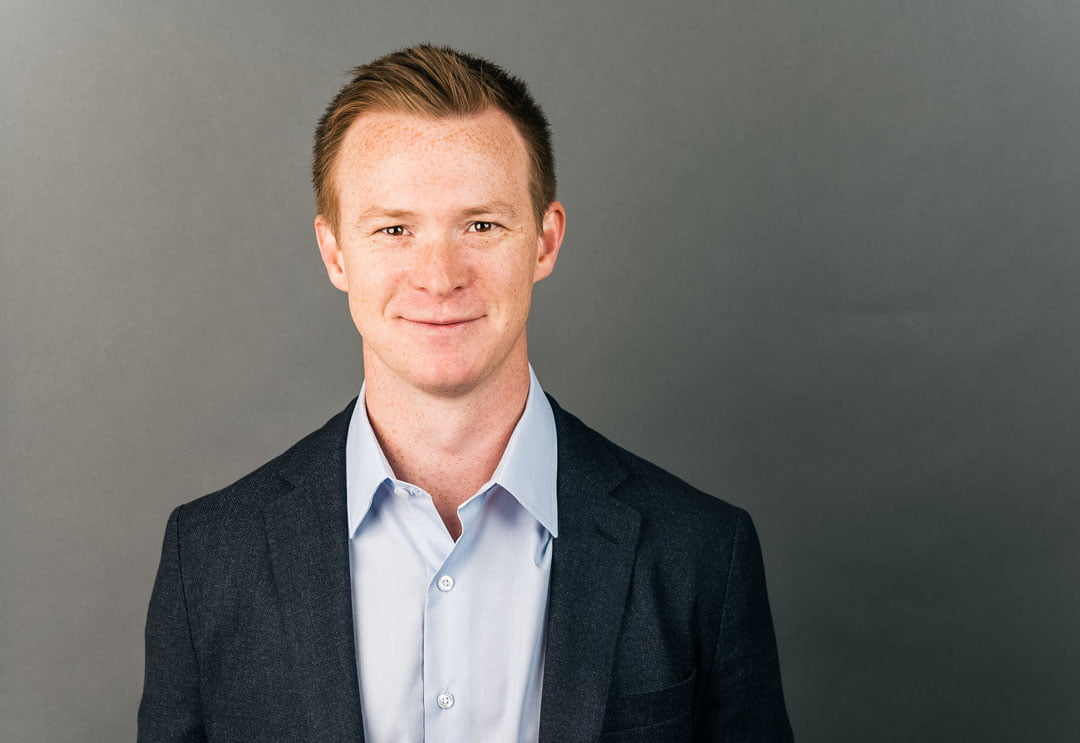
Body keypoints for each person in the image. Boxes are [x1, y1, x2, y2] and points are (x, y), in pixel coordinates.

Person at [138, 44, 793, 742]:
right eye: (394, 229)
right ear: (335, 253)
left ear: (544, 241)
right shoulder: (208, 559)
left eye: (481, 225)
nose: (440, 276)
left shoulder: (700, 552)